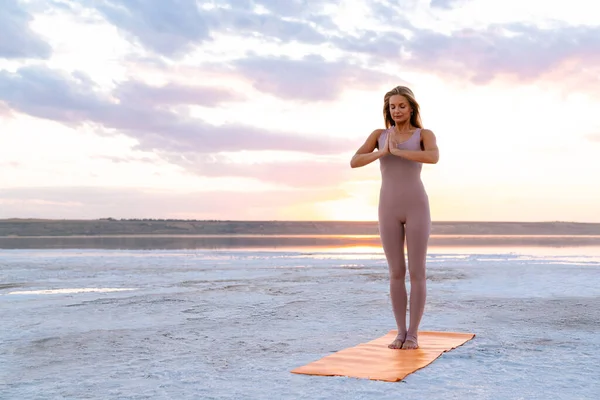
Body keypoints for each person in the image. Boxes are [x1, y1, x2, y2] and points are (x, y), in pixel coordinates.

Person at [350, 86, 439, 350]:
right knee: (396, 272)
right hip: (387, 208)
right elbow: (355, 161)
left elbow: (433, 157)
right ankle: (400, 332)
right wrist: (382, 152)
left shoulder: (424, 134)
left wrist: (399, 152)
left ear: (411, 108)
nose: (397, 110)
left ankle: (413, 334)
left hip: (416, 208)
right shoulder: (379, 136)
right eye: (392, 107)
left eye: (401, 106)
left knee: (417, 271)